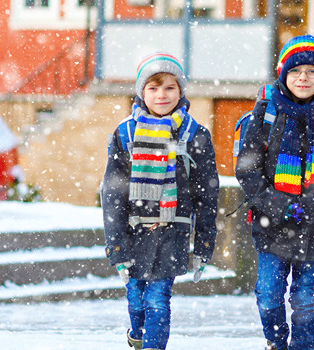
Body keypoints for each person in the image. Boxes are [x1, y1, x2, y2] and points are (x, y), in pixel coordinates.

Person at [235, 35, 314, 350]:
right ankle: (276, 342)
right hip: (271, 224)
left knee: (305, 299)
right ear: (283, 74)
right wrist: (280, 204)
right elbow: (247, 170)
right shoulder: (265, 112)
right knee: (268, 295)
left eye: (312, 71)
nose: (303, 78)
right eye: (295, 71)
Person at [101, 52, 219, 350]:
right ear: (142, 92)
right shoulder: (125, 132)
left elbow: (207, 193)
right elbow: (112, 193)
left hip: (173, 229)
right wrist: (116, 245)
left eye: (169, 87)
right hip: (133, 230)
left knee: (158, 298)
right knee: (135, 297)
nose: (161, 95)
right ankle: (138, 335)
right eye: (153, 88)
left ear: (181, 91)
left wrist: (204, 243)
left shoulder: (195, 134)